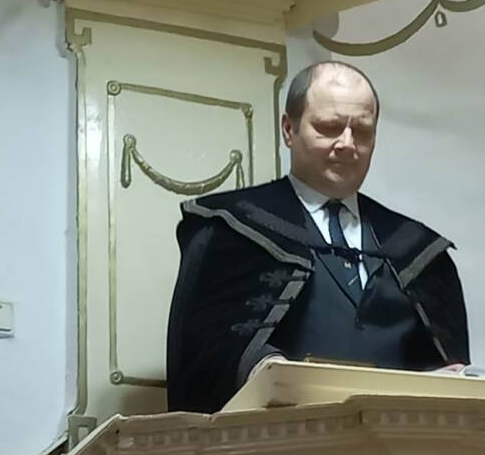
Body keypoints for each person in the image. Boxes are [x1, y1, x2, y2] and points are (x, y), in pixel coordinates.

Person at [166, 60, 469, 413]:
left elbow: (449, 371)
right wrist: (266, 370)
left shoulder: (420, 251)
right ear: (289, 129)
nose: (347, 144)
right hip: (277, 435)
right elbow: (205, 353)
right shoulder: (231, 229)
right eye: (329, 127)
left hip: (398, 438)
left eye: (363, 131)